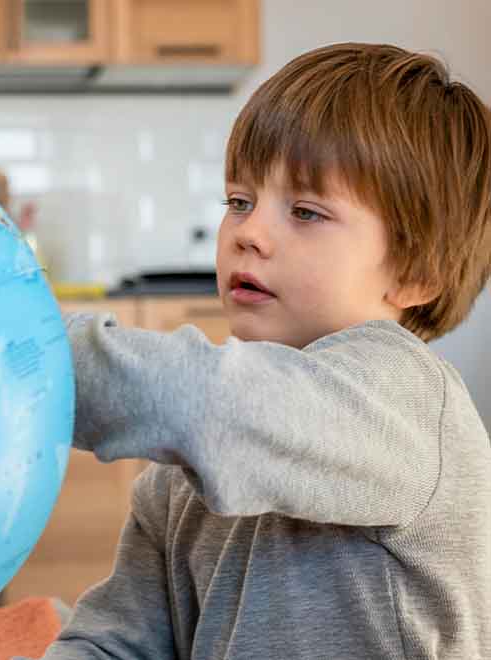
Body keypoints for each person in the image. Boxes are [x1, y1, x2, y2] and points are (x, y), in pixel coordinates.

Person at [29, 43, 491, 659]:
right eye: (239, 202)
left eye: (305, 211)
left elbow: (212, 405)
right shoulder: (178, 480)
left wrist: (17, 354)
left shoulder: (404, 401)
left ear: (414, 274)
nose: (248, 232)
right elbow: (121, 640)